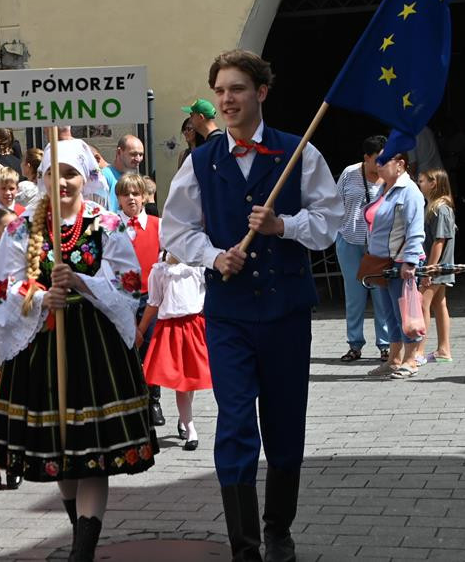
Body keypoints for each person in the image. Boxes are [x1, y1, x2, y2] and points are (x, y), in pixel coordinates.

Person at [161, 50, 342, 562]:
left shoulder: (299, 151)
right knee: (236, 422)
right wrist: (214, 256)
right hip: (229, 317)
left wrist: (283, 226)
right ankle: (244, 545)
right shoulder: (201, 162)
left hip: (285, 312)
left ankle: (278, 530)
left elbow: (330, 221)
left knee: (285, 424)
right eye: (219, 91)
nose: (226, 100)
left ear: (261, 92)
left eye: (236, 89)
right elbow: (177, 229)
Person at [0, 138, 158, 562]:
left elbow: (130, 282)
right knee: (62, 455)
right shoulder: (20, 226)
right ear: (41, 176)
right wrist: (41, 296)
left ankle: (82, 552)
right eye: (53, 173)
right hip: (42, 344)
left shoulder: (106, 223)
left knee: (93, 457)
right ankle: (80, 533)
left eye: (70, 173)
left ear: (86, 177)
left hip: (94, 345)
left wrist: (84, 282)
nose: (62, 181)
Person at [136, 251, 211, 450]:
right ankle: (191, 429)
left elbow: (209, 293)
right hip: (171, 329)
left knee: (191, 380)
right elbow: (153, 303)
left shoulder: (196, 265)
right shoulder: (160, 270)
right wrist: (141, 330)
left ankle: (184, 419)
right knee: (181, 383)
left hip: (195, 326)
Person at [362, 153, 425, 380]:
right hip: (383, 263)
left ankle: (411, 360)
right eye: (376, 162)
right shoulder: (384, 189)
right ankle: (394, 359)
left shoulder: (410, 191)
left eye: (383, 162)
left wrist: (410, 261)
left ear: (400, 165)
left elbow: (415, 229)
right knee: (389, 314)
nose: (378, 167)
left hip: (400, 262)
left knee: (405, 314)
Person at [335, 135, 392, 363]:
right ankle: (354, 344)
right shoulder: (349, 174)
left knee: (382, 295)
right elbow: (333, 202)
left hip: (378, 246)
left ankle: (386, 345)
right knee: (354, 295)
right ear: (366, 158)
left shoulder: (390, 177)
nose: (381, 164)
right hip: (349, 240)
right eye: (377, 159)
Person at [114, 173, 165, 427]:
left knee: (150, 350)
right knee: (124, 350)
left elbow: (167, 260)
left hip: (151, 297)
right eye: (126, 194)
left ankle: (153, 400)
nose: (131, 198)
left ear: (145, 196)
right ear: (118, 199)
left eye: (136, 193)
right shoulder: (111, 226)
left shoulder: (158, 224)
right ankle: (128, 401)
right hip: (121, 297)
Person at [417, 169, 456, 364]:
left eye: (422, 181)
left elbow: (438, 242)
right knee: (439, 304)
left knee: (422, 304)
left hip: (437, 267)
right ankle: (443, 349)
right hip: (441, 266)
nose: (419, 184)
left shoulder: (440, 209)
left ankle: (418, 351)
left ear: (433, 184)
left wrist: (428, 269)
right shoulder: (434, 207)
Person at [101, 134, 144, 211]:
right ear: (119, 152)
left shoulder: (135, 178)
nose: (138, 159)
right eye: (133, 154)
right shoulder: (105, 176)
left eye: (141, 155)